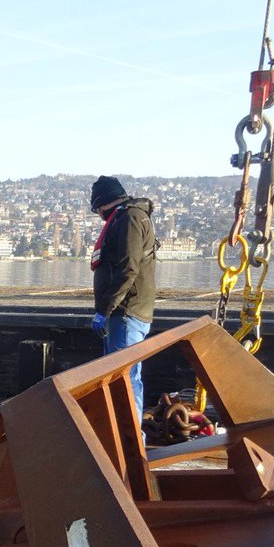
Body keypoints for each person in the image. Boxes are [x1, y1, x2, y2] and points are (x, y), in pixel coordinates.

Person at [88, 175, 156, 413]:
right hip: (120, 313)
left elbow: (128, 269)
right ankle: (119, 435)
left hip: (126, 313)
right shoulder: (125, 217)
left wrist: (103, 311)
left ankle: (132, 442)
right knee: (116, 379)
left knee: (124, 380)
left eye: (97, 208)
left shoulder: (129, 218)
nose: (98, 214)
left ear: (103, 202)